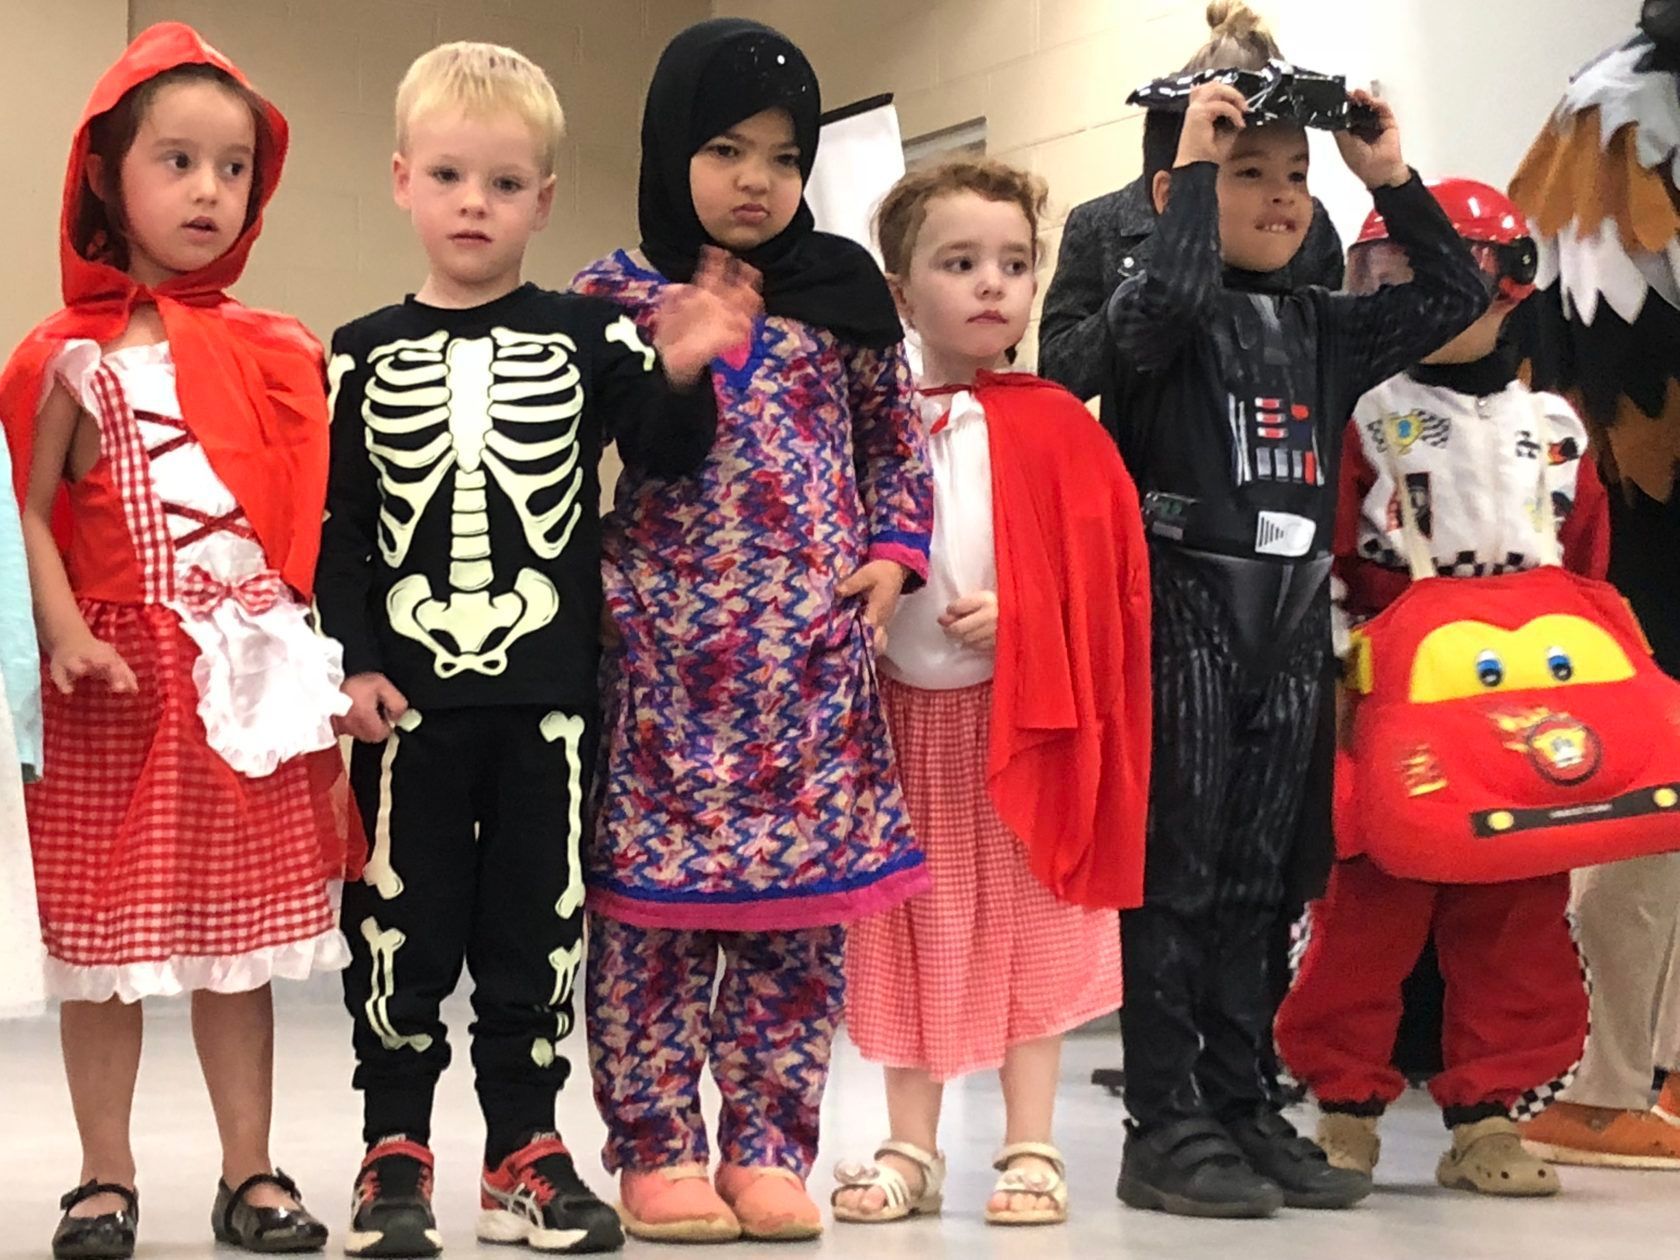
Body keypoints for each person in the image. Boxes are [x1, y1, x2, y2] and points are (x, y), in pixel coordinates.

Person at [315, 40, 753, 1258]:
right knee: (398, 923)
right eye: (450, 176)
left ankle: (524, 1148)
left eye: (505, 184)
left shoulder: (587, 337)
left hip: (550, 697)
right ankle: (391, 1148)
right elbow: (341, 526)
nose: (475, 203)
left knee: (539, 925)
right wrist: (350, 662)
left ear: (544, 201)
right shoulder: (354, 349)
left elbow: (664, 453)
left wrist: (680, 368)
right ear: (403, 180)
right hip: (404, 706)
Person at [572, 17, 932, 1245]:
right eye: (724, 148)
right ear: (670, 147)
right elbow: (599, 457)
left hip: (810, 668)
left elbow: (899, 442)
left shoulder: (847, 298)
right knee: (650, 932)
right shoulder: (614, 295)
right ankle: (660, 1148)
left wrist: (894, 556)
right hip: (660, 664)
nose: (754, 180)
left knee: (797, 934)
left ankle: (772, 1146)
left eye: (783, 156)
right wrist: (673, 364)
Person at [1104, 75, 1488, 1218]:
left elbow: (1455, 293)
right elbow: (1160, 306)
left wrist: (1389, 179)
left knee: (1269, 875)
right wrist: (1182, 178)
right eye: (1245, 171)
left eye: (1293, 176)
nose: (1278, 196)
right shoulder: (1152, 313)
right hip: (1187, 608)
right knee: (1178, 872)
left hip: (1291, 616)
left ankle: (1240, 1100)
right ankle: (1162, 1121)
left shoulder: (1324, 322)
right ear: (1181, 189)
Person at [0, 22, 355, 1257]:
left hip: (241, 681)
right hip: (108, 680)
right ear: (106, 175)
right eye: (178, 162)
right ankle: (104, 1175)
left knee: (236, 945)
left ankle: (250, 1171)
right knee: (104, 952)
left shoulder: (279, 347)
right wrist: (61, 633)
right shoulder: (61, 354)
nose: (210, 190)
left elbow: (315, 519)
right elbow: (24, 515)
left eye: (235, 167)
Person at [831, 158, 1149, 1229]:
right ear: (899, 291)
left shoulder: (1064, 423)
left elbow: (1112, 590)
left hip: (1024, 719)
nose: (992, 286)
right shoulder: (869, 423)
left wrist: (1030, 618)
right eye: (959, 262)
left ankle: (1029, 1144)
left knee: (1032, 922)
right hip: (900, 727)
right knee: (910, 926)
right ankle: (909, 1147)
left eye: (1014, 264)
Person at [1275, 180, 1604, 1197]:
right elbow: (1324, 560)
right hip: (1392, 702)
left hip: (1526, 710)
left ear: (1509, 287)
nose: (1402, 300)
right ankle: (1343, 1103)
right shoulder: (1361, 414)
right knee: (1367, 911)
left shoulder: (1559, 429)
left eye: (1429, 278)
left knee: (1516, 917)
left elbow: (1587, 577)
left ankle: (1491, 1112)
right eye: (1385, 277)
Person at [1507, 2, 1680, 1169]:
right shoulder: (1615, 102)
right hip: (1639, 499)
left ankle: (1623, 1081)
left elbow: (1573, 343)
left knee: (1640, 797)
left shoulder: (1611, 104)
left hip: (1647, 523)